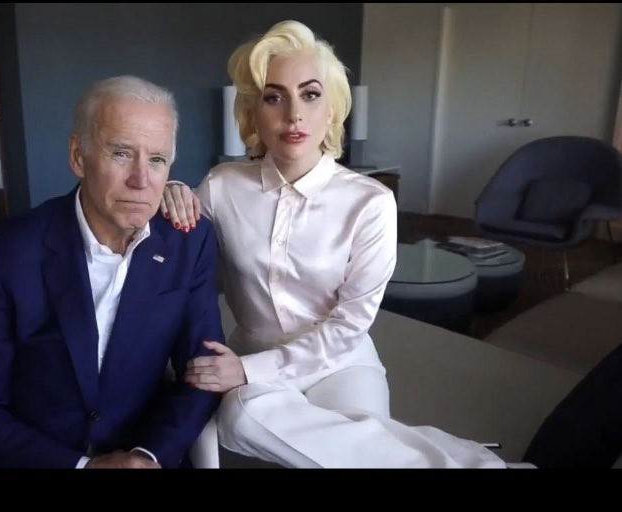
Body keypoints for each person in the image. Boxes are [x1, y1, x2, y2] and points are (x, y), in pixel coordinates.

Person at [160, 20, 506, 468]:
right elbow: (193, 271)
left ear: (331, 110)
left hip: (340, 361)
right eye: (274, 97)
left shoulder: (370, 202)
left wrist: (247, 371)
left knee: (353, 439)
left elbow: (350, 325)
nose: (294, 115)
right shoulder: (221, 186)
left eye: (310, 95)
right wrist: (169, 192)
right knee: (243, 415)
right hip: (254, 356)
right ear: (254, 112)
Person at [0, 75, 224, 468]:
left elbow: (203, 373)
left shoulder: (188, 241)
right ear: (78, 157)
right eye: (121, 153)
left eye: (157, 160)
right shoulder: (4, 251)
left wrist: (149, 455)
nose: (141, 180)